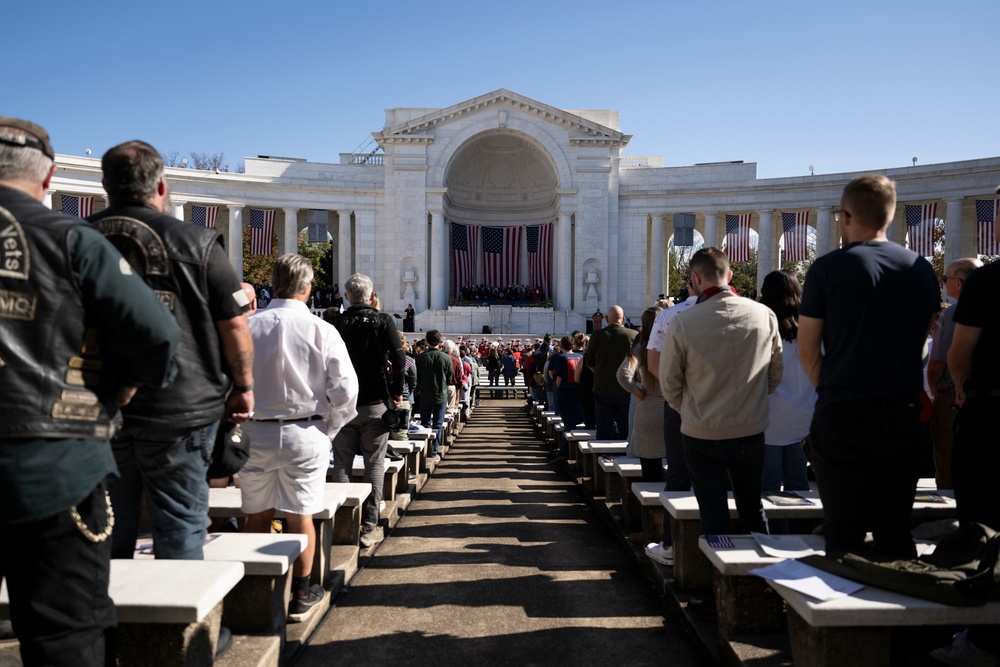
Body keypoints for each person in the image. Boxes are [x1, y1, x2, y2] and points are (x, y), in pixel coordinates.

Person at [0, 116, 180, 665]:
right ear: (51, 175)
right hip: (53, 460)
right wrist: (119, 389)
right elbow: (156, 339)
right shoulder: (73, 238)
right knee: (67, 634)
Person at [88, 140, 254, 561]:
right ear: (161, 186)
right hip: (180, 408)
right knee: (180, 525)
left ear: (106, 186)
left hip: (96, 406)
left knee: (104, 526)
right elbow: (234, 324)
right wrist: (243, 385)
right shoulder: (198, 243)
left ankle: (107, 624)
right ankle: (181, 629)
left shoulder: (73, 240)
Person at [798, 174, 939, 558]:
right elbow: (923, 343)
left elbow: (808, 349)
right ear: (889, 218)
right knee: (896, 533)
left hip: (843, 410)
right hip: (903, 413)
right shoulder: (922, 270)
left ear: (845, 216)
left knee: (843, 535)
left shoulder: (827, 269)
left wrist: (831, 388)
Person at [242, 254, 358, 619]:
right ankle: (302, 592)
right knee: (301, 514)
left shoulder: (246, 327)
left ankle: (253, 593)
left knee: (255, 515)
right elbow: (346, 391)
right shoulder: (322, 330)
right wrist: (329, 431)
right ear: (308, 288)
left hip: (254, 431)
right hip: (305, 431)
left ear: (272, 284)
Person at [661, 247, 783, 537]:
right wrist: (750, 402)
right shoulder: (765, 315)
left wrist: (692, 410)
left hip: (702, 430)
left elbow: (670, 384)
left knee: (712, 510)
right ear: (729, 275)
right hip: (749, 429)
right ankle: (760, 576)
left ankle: (714, 577)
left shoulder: (682, 322)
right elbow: (775, 373)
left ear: (695, 278)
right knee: (752, 506)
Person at [933, 207, 1000, 667]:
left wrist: (959, 389)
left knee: (984, 525)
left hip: (992, 412)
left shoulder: (987, 284)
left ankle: (984, 641)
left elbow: (958, 355)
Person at [326, 274, 405, 548]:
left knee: (342, 465)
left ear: (347, 296)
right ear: (372, 297)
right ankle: (369, 526)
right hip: (374, 403)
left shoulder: (335, 321)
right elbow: (399, 357)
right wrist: (397, 390)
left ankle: (340, 523)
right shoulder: (383, 321)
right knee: (374, 465)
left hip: (341, 405)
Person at [644, 290, 697, 566]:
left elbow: (654, 366)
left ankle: (671, 545)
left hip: (680, 405)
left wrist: (677, 394)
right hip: (732, 411)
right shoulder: (755, 313)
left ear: (693, 282)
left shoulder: (669, 316)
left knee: (678, 474)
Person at [758, 270, 815, 494]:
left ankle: (768, 530)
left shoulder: (762, 327)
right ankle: (797, 529)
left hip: (769, 414)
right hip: (805, 414)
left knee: (768, 485)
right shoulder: (812, 328)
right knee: (798, 483)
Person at [927, 258, 981, 489]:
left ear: (958, 284)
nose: (944, 283)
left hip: (953, 395)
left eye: (945, 279)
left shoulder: (952, 315)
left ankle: (947, 517)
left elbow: (939, 362)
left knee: (949, 458)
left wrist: (933, 390)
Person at [617, 306, 666, 483]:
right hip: (674, 410)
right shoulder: (676, 343)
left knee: (650, 476)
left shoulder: (642, 346)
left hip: (649, 408)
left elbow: (623, 374)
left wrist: (638, 392)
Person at [584, 305, 637, 440]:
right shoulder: (634, 335)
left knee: (603, 427)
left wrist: (599, 372)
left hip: (603, 387)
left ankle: (603, 455)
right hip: (628, 388)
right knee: (626, 426)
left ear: (606, 319)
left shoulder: (597, 335)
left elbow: (589, 361)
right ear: (623, 319)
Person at [415, 330, 453, 460]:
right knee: (437, 424)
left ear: (426, 341)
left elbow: (417, 378)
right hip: (440, 394)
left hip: (425, 394)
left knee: (425, 423)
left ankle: (424, 450)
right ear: (439, 342)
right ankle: (434, 450)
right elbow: (449, 377)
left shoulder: (420, 358)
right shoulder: (447, 358)